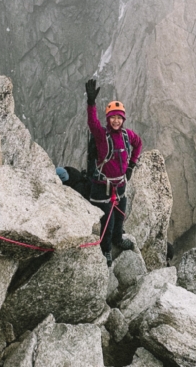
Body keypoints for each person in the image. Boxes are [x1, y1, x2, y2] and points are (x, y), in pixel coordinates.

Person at [85, 77, 142, 265]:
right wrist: (91, 103)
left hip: (120, 185)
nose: (116, 121)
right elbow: (92, 123)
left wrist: (131, 165)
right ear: (108, 118)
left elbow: (138, 143)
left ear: (123, 119)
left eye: (119, 117)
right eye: (113, 117)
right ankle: (106, 249)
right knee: (107, 223)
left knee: (120, 217)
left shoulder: (127, 135)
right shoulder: (103, 136)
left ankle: (118, 239)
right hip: (103, 187)